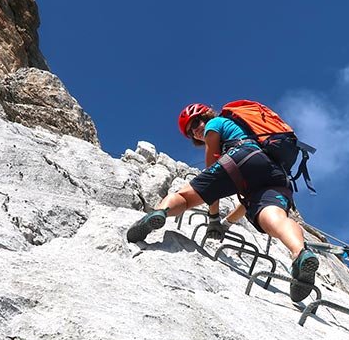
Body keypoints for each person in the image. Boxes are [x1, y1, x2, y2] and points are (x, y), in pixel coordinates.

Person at [126, 103, 319, 301]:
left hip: (241, 156)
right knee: (274, 217)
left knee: (185, 197)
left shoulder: (216, 123)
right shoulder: (250, 134)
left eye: (196, 123)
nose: (196, 131)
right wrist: (225, 224)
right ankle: (300, 254)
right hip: (274, 173)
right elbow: (246, 204)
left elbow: (212, 172)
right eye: (190, 132)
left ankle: (159, 213)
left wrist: (213, 218)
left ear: (207, 117)